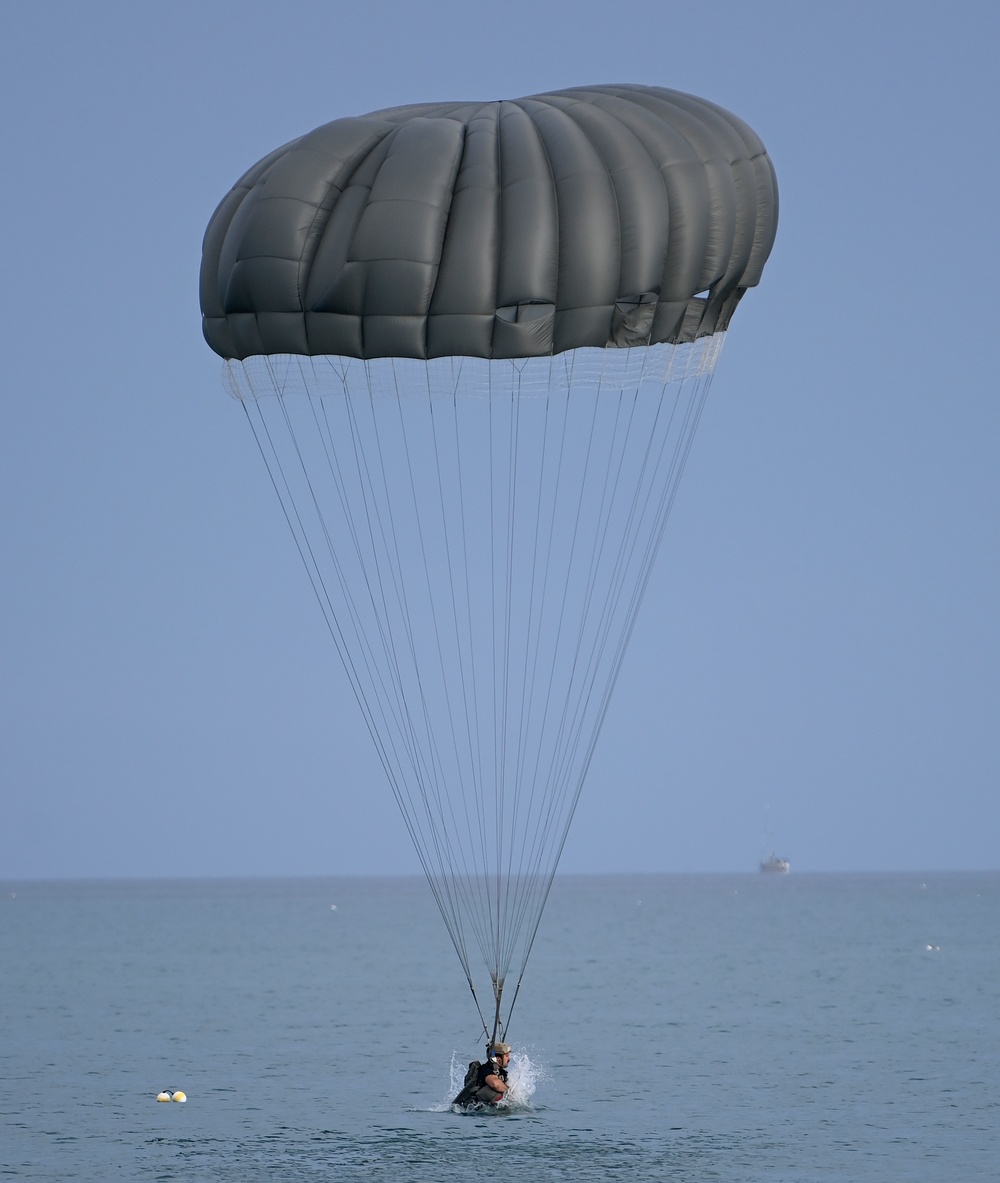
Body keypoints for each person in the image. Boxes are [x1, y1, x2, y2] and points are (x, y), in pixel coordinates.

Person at [453, 1041, 511, 1108]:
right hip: (475, 1109)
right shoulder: (487, 1070)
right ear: (498, 1059)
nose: (509, 1059)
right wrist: (510, 1092)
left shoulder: (499, 1071)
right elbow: (495, 1084)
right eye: (506, 1056)